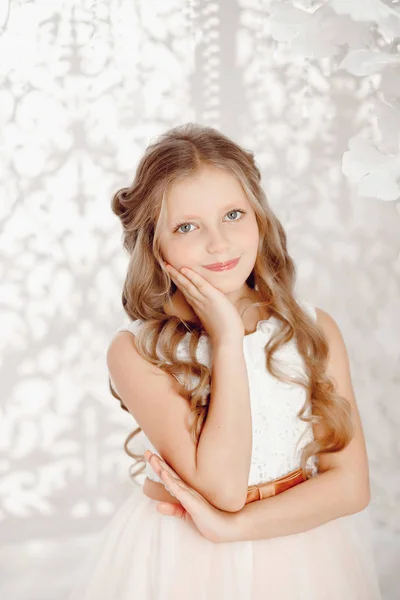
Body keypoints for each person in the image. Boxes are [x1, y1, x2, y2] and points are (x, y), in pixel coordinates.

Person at [67, 123, 382, 599]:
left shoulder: (312, 328)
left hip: (300, 544)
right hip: (185, 560)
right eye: (187, 227)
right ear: (156, 244)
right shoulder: (137, 351)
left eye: (233, 214)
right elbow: (224, 490)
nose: (218, 243)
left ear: (259, 217)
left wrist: (234, 530)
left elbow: (351, 486)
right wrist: (228, 340)